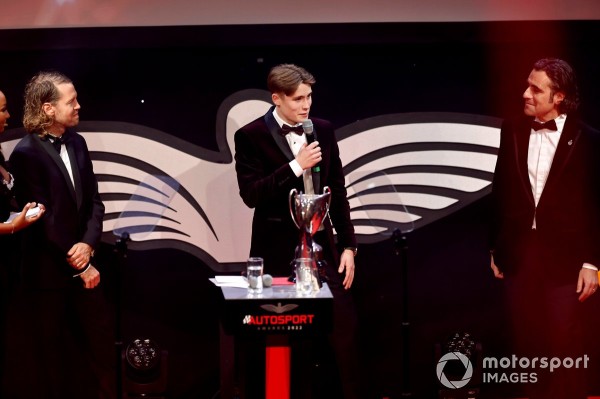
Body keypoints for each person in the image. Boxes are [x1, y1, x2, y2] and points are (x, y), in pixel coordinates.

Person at [235, 64, 361, 398]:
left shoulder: (322, 129)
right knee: (284, 339)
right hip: (277, 252)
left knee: (342, 333)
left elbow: (337, 190)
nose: (305, 105)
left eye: (309, 97)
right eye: (296, 99)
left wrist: (348, 246)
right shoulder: (250, 136)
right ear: (276, 98)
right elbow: (251, 195)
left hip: (322, 246)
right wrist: (295, 165)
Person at [489, 58, 600, 399]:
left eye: (536, 89)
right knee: (525, 345)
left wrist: (592, 263)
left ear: (559, 97)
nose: (525, 93)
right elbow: (502, 191)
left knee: (564, 346)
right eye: (527, 85)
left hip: (567, 264)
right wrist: (496, 248)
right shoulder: (513, 130)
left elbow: (597, 204)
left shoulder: (589, 140)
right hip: (519, 260)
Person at [5, 72, 115, 399]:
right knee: (53, 360)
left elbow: (94, 200)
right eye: (72, 101)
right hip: (48, 275)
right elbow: (42, 217)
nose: (79, 106)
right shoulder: (26, 153)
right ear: (49, 108)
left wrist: (88, 243)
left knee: (95, 353)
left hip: (85, 267)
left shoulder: (77, 142)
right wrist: (79, 262)